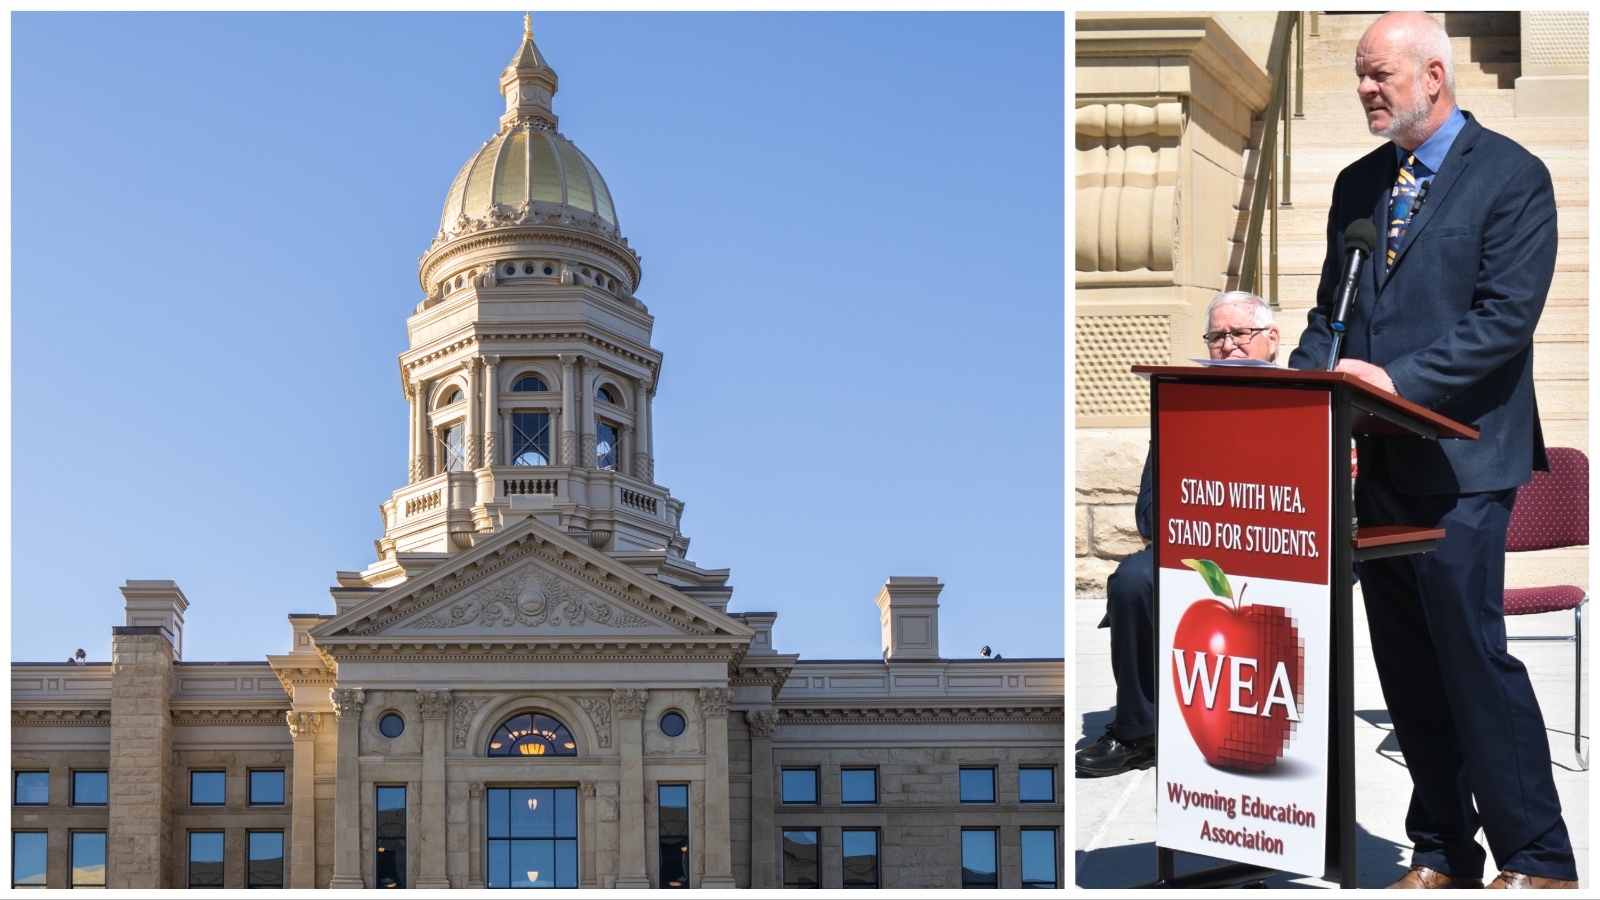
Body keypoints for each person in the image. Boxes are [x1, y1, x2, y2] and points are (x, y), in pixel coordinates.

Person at [1286, 12, 1576, 890]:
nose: (1367, 89)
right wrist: (1300, 393)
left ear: (1435, 77)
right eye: (1362, 76)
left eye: (1380, 75)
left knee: (1470, 658)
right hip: (1378, 470)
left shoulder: (1513, 178)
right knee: (1408, 671)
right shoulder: (1357, 187)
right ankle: (1442, 850)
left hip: (1464, 467)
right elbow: (1327, 320)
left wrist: (1392, 383)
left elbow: (1502, 324)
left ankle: (1540, 858)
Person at [1076, 291, 1280, 778]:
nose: (1228, 345)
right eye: (1217, 336)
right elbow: (1148, 513)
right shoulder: (1182, 406)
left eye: (1240, 334)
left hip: (1279, 546)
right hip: (1197, 547)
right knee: (1133, 579)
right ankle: (1139, 730)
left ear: (1272, 339)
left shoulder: (1312, 396)